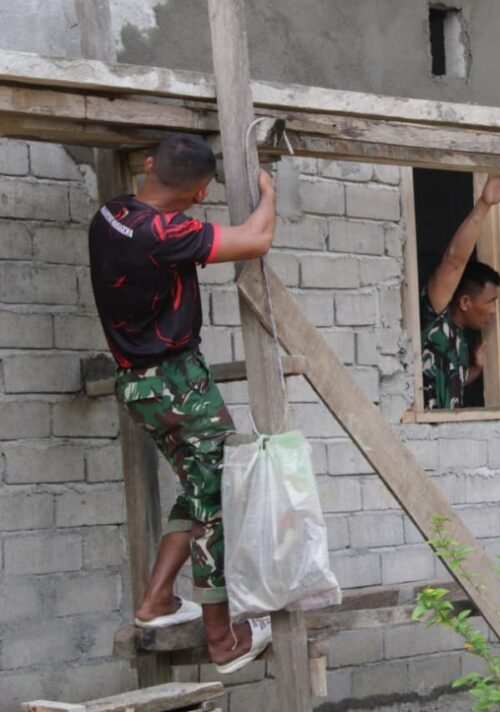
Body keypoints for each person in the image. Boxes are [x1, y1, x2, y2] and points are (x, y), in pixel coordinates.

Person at [88, 132, 277, 674]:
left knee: (199, 484)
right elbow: (256, 239)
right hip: (176, 382)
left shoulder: (112, 214)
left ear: (148, 166)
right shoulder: (164, 233)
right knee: (218, 496)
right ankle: (223, 640)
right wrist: (268, 193)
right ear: (199, 195)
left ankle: (156, 601)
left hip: (140, 383)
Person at [421, 174, 500, 409]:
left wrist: (477, 369)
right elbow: (454, 262)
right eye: (490, 301)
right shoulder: (435, 316)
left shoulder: (460, 341)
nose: (493, 311)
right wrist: (484, 205)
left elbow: (455, 382)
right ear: (464, 302)